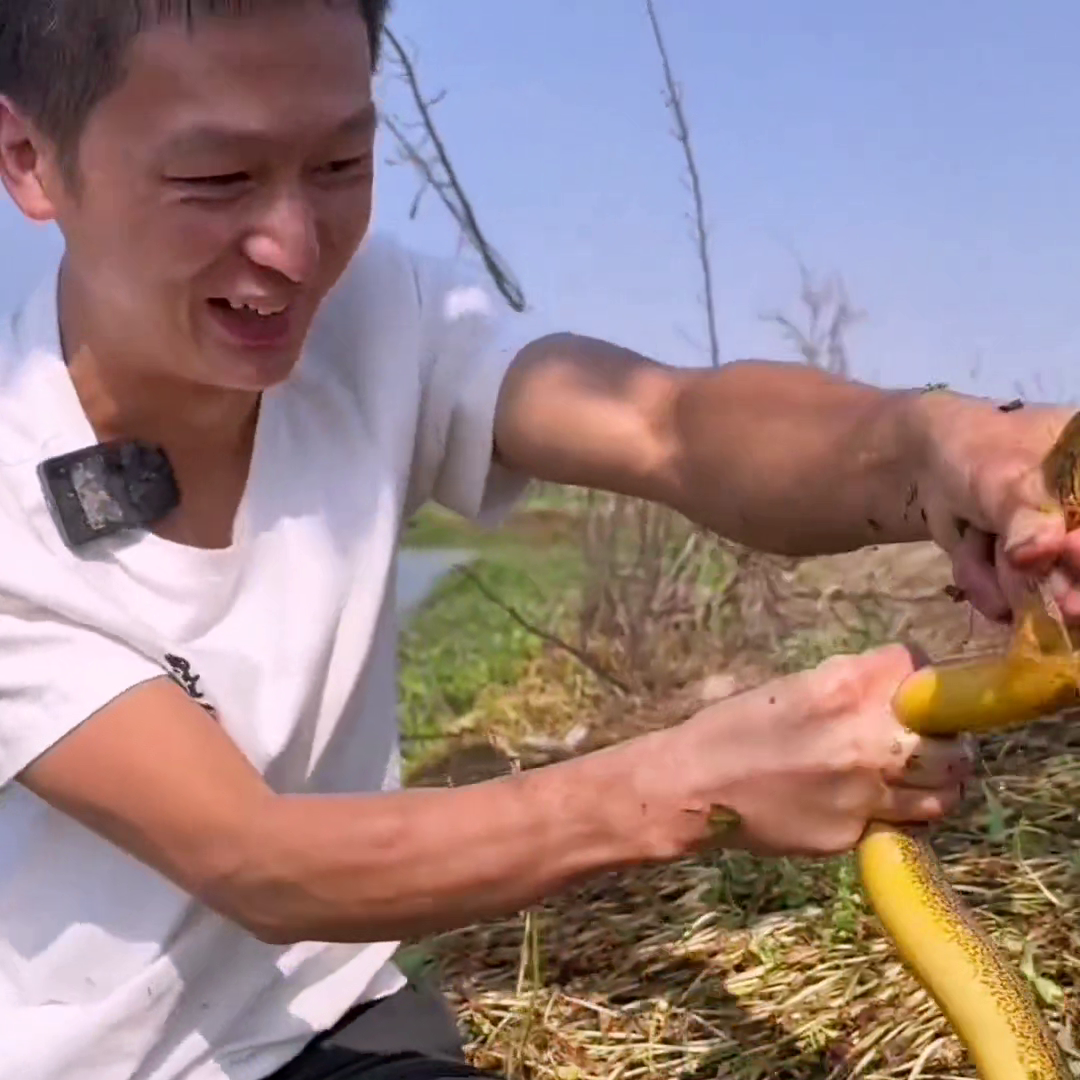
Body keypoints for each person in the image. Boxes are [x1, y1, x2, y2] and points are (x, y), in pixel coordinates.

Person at [0, 3, 1077, 1079]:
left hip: (328, 1026)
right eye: (217, 182)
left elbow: (669, 426)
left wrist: (940, 444)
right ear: (30, 159)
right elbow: (261, 860)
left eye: (341, 161)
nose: (295, 247)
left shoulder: (378, 314)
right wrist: (696, 786)